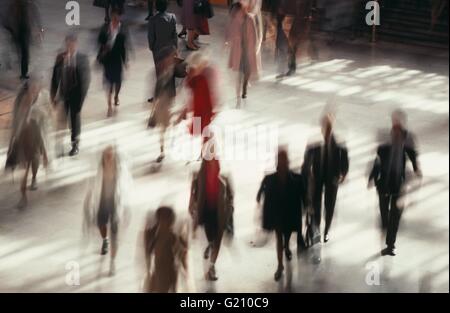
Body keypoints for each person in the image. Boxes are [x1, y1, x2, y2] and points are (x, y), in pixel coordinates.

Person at [368, 110, 422, 256]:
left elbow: (413, 156)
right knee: (385, 213)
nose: (396, 127)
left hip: (399, 182)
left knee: (396, 214)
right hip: (384, 182)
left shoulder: (408, 139)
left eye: (399, 123)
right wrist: (371, 177)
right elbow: (377, 161)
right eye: (394, 123)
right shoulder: (385, 140)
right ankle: (386, 228)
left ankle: (390, 245)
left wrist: (417, 170)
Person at [257, 148, 306, 281]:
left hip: (289, 214)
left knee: (287, 234)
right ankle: (280, 265)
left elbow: (303, 195)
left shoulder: (296, 179)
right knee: (279, 236)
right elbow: (261, 190)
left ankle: (286, 247)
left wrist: (307, 207)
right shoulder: (271, 178)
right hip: (278, 215)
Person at [83, 145, 132, 275]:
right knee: (101, 225)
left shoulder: (121, 168)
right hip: (102, 202)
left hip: (116, 204)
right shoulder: (98, 169)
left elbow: (126, 188)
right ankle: (105, 240)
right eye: (106, 155)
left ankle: (112, 263)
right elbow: (91, 187)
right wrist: (88, 202)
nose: (109, 157)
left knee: (114, 234)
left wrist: (126, 209)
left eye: (111, 155)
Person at [302, 114, 349, 243]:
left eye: (329, 127)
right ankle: (316, 229)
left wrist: (342, 174)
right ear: (322, 127)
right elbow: (306, 160)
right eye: (325, 127)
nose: (327, 130)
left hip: (332, 178)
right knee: (316, 205)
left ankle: (326, 230)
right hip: (317, 177)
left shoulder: (339, 142)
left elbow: (345, 160)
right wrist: (307, 173)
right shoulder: (314, 142)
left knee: (330, 206)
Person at [5, 77, 51, 208]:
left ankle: (34, 178)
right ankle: (23, 195)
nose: (34, 91)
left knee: (35, 163)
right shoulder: (20, 104)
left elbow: (44, 123)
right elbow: (15, 126)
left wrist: (45, 153)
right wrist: (11, 145)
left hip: (36, 139)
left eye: (36, 89)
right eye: (32, 89)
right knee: (24, 170)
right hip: (23, 141)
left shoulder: (41, 100)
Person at [189, 157, 234, 281]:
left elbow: (231, 195)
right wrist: (191, 205)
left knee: (218, 238)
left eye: (215, 164)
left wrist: (230, 208)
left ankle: (212, 267)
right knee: (210, 237)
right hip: (206, 211)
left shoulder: (224, 178)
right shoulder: (199, 177)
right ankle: (210, 244)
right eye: (210, 164)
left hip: (219, 212)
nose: (213, 167)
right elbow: (193, 193)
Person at [50, 34, 91, 157]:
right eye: (67, 45)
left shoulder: (82, 59)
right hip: (64, 93)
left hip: (76, 95)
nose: (69, 47)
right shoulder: (60, 58)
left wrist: (81, 101)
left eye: (71, 45)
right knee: (62, 120)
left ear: (76, 45)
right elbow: (55, 78)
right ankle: (60, 144)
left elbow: (86, 81)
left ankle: (75, 144)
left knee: (74, 119)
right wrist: (53, 96)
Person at [148, 46, 187, 163]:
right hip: (162, 104)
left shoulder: (174, 68)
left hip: (169, 103)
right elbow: (156, 92)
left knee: (168, 127)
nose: (173, 58)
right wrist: (153, 110)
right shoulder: (160, 72)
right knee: (163, 129)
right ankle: (162, 150)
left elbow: (183, 73)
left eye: (174, 56)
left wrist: (180, 62)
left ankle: (167, 146)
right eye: (171, 56)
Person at [143, 206, 189, 292]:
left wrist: (184, 267)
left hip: (168, 271)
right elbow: (149, 250)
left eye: (167, 221)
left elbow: (181, 251)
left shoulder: (172, 236)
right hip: (158, 270)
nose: (164, 223)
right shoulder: (157, 235)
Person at [226, 0, 262, 103]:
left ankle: (244, 86)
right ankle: (239, 94)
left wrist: (254, 46)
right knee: (239, 73)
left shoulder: (250, 19)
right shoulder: (236, 18)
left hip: (247, 49)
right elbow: (230, 30)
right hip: (239, 50)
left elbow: (254, 36)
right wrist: (229, 41)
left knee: (247, 71)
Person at [97, 9, 130, 117]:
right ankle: (109, 106)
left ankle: (116, 96)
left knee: (118, 81)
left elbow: (124, 47)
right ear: (111, 18)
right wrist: (105, 45)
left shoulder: (122, 29)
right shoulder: (105, 28)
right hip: (107, 60)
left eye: (117, 18)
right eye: (114, 18)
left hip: (117, 59)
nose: (116, 20)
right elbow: (100, 41)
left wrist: (125, 61)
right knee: (109, 83)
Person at [2, 0, 43, 80]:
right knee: (21, 52)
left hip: (24, 32)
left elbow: (35, 16)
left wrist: (39, 28)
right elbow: (7, 19)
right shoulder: (17, 6)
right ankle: (22, 70)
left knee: (24, 53)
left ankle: (23, 72)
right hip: (18, 32)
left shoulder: (27, 5)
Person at [148, 0, 178, 82]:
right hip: (170, 48)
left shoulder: (153, 19)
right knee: (169, 70)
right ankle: (170, 91)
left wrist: (152, 47)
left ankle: (160, 91)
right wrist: (175, 47)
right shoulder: (172, 17)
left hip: (158, 49)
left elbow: (151, 36)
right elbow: (174, 34)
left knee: (159, 71)